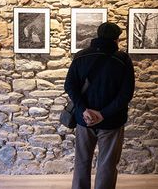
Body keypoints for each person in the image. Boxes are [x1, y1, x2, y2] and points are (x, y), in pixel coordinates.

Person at [64, 22, 135, 189]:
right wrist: (103, 114)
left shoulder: (81, 56)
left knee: (81, 162)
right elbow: (126, 94)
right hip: (112, 121)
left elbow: (70, 85)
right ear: (117, 39)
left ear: (97, 35)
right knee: (107, 165)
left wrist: (83, 110)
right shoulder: (122, 59)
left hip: (84, 120)